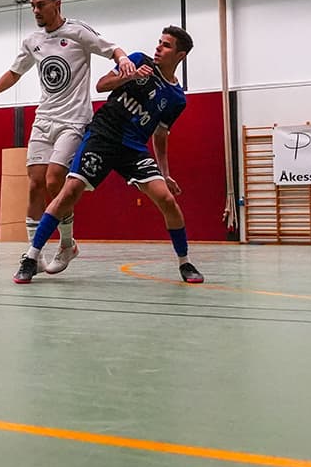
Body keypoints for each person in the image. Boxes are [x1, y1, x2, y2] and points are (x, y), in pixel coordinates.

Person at [16, 27, 201, 285]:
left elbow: (160, 136)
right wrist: (130, 76)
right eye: (159, 42)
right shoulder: (138, 60)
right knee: (69, 192)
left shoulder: (176, 99)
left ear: (180, 55)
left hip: (133, 147)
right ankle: (31, 257)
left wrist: (165, 174)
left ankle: (185, 262)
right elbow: (102, 85)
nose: (159, 47)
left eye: (167, 45)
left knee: (166, 199)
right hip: (103, 134)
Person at [0, 0, 134, 274]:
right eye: (33, 6)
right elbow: (15, 72)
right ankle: (33, 255)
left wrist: (123, 58)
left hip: (74, 120)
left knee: (53, 180)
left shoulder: (77, 31)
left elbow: (111, 48)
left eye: (41, 5)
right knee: (35, 184)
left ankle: (66, 244)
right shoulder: (32, 42)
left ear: (57, 4)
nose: (36, 11)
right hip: (44, 119)